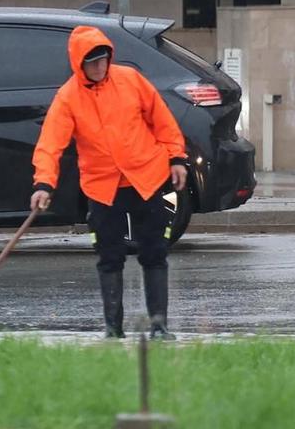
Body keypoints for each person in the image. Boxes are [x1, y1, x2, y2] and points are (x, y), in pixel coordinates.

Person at [30, 26, 189, 339]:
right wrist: (43, 184)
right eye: (92, 62)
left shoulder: (130, 80)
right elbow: (50, 144)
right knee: (109, 257)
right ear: (79, 64)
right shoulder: (68, 98)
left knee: (155, 251)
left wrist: (176, 158)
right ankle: (113, 329)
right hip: (102, 187)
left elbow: (162, 119)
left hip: (148, 178)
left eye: (103, 59)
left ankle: (159, 325)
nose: (100, 67)